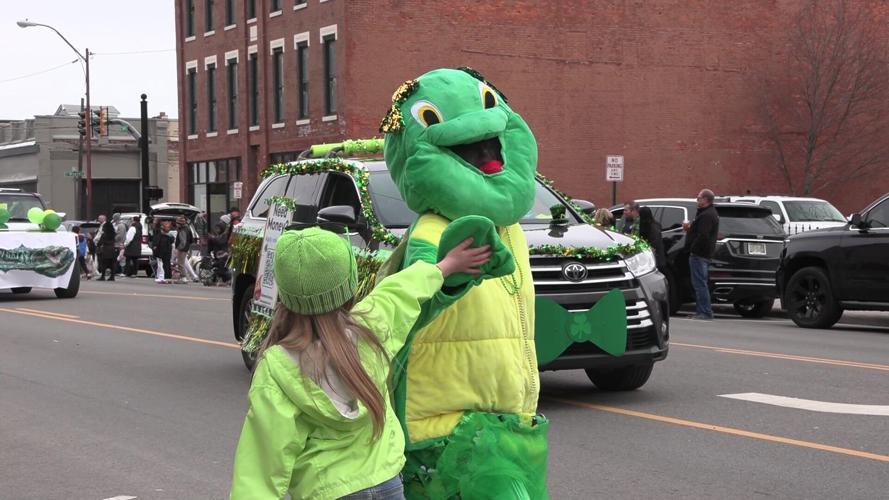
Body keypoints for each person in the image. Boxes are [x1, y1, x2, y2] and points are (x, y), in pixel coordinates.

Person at [230, 226, 491, 500]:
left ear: (284, 294)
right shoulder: (370, 328)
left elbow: (261, 462)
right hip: (386, 482)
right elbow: (401, 291)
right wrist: (447, 265)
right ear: (350, 286)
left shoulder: (277, 367)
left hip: (327, 490)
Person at [685, 188, 719, 320]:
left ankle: (705, 312)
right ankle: (701, 311)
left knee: (700, 284)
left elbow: (703, 235)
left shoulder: (707, 215)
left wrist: (693, 248)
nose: (697, 199)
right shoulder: (707, 213)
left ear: (705, 200)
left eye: (699, 197)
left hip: (700, 254)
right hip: (703, 254)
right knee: (700, 283)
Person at [637, 206, 666, 272]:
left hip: (655, 257)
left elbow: (655, 243)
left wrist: (643, 246)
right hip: (653, 256)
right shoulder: (649, 224)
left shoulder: (652, 227)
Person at [174, 216, 199, 283]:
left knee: (180, 263)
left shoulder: (182, 230)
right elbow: (191, 240)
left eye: (177, 223)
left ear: (180, 224)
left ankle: (183, 277)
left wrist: (178, 248)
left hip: (182, 249)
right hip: (186, 248)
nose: (176, 224)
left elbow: (183, 242)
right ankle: (191, 276)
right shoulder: (188, 228)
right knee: (183, 262)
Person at [152, 219, 174, 284]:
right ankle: (167, 276)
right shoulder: (170, 235)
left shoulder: (159, 234)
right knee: (166, 264)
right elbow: (172, 241)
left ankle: (162, 277)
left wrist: (154, 247)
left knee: (161, 264)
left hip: (161, 251)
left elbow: (156, 241)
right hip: (167, 251)